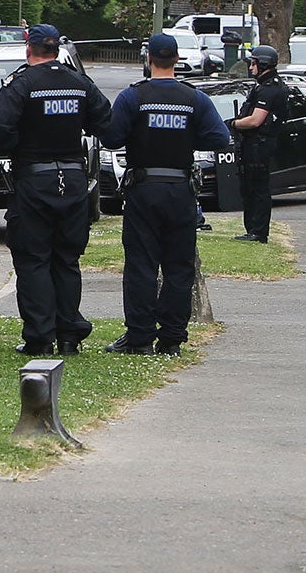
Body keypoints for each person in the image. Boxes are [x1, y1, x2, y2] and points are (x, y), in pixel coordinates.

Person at [98, 34, 231, 355]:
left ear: (149, 60)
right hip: (181, 191)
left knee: (141, 265)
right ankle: (172, 338)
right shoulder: (193, 98)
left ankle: (140, 337)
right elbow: (220, 137)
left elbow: (113, 138)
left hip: (144, 189)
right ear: (175, 60)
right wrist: (186, 137)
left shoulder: (134, 97)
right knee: (178, 266)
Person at [0, 24, 113, 356]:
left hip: (34, 179)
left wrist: (21, 144)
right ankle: (69, 334)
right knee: (67, 259)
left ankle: (40, 337)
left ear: (29, 49)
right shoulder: (79, 82)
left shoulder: (21, 84)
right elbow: (106, 123)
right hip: (72, 179)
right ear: (57, 50)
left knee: (33, 260)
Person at [228, 44, 291, 243]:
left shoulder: (269, 89)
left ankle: (257, 232)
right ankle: (253, 230)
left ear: (262, 64)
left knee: (257, 189)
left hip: (259, 145)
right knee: (250, 188)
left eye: (253, 63)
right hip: (256, 143)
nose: (251, 67)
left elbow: (256, 120)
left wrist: (233, 124)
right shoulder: (265, 85)